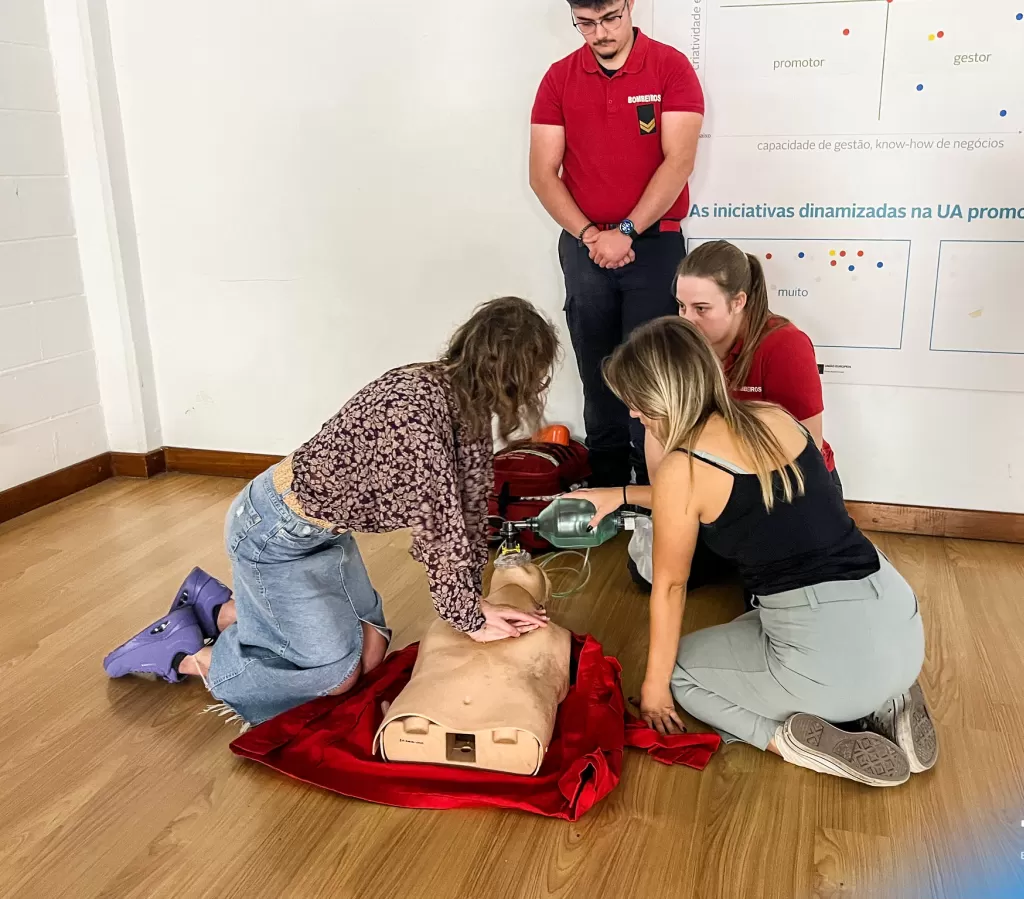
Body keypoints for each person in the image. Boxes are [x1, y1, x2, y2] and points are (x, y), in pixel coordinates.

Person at [103, 297, 560, 728]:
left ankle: (221, 608)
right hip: (271, 536)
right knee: (336, 676)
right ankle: (187, 655)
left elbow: (468, 508)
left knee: (373, 649)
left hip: (322, 535)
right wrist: (470, 619)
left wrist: (473, 603)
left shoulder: (461, 400)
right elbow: (440, 534)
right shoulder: (416, 418)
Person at [568, 317, 937, 786]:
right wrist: (619, 494)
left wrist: (655, 689)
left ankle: (788, 740)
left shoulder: (685, 467)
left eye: (637, 406)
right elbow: (731, 496)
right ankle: (889, 700)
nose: (636, 417)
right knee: (757, 622)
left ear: (661, 399)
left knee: (682, 670)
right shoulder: (773, 418)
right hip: (899, 621)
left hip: (829, 662)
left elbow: (671, 585)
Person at [529, 0, 704, 487]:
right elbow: (542, 174)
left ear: (629, 6)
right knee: (596, 366)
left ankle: (658, 485)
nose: (600, 32)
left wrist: (625, 232)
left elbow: (679, 161)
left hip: (655, 244)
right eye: (585, 23)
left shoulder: (670, 67)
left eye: (610, 18)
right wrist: (591, 235)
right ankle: (606, 485)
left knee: (654, 371)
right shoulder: (559, 78)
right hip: (584, 247)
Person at [628, 239, 841, 593]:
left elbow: (808, 454)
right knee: (646, 574)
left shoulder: (784, 345)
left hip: (786, 485)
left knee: (764, 587)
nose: (688, 320)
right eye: (681, 306)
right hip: (721, 484)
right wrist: (670, 497)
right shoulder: (685, 346)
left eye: (701, 308)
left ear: (738, 301)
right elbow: (660, 435)